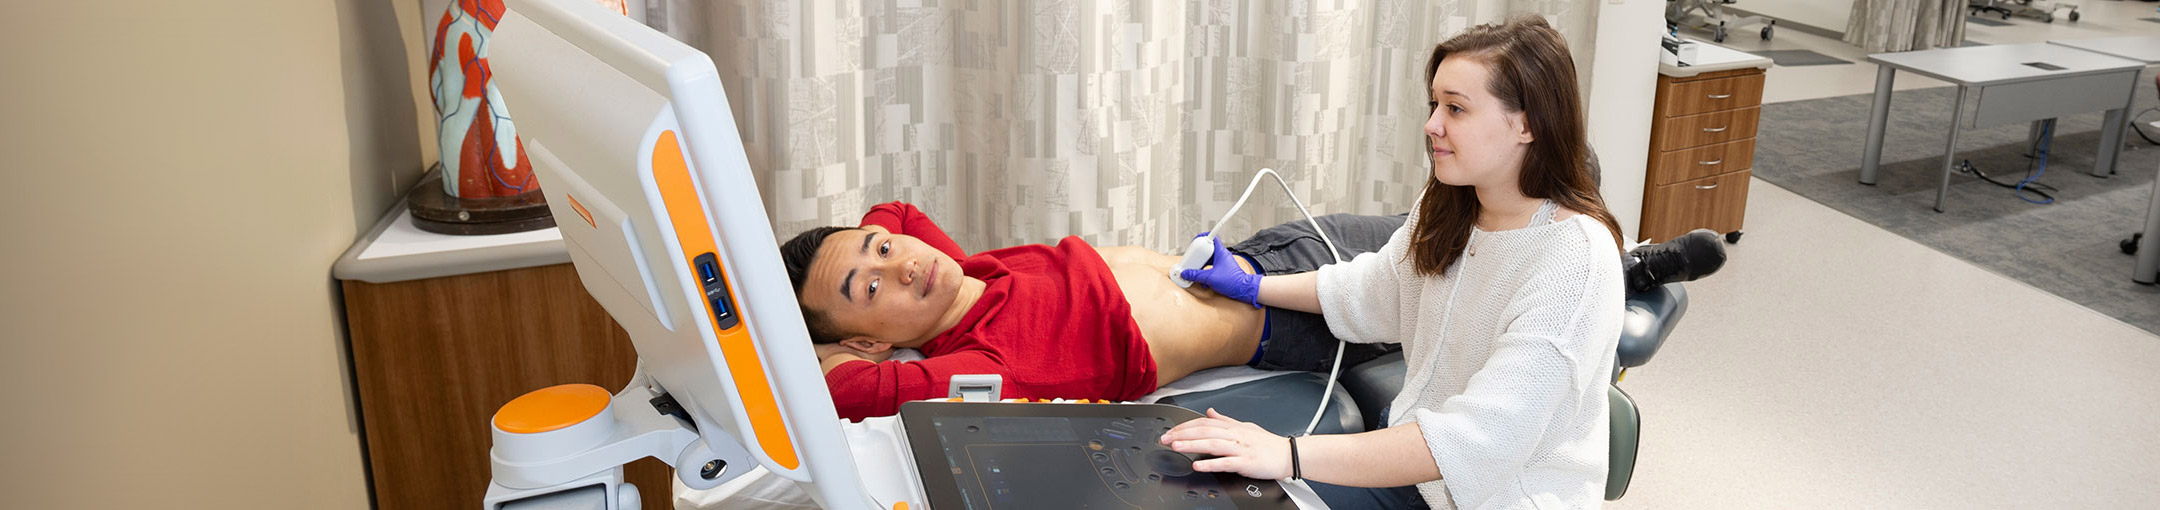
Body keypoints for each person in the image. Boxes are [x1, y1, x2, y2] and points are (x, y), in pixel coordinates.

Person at [1163, 16, 1626, 509]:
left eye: (1456, 108)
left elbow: (1472, 440)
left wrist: (1286, 454)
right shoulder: (1452, 204)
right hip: (1413, 469)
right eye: (1434, 105)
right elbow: (1375, 290)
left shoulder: (1574, 262)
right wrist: (1254, 286)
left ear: (1527, 124)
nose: (1432, 125)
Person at [778, 201, 1404, 421]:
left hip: (1273, 251)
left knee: (1466, 220)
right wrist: (824, 345)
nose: (902, 265)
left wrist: (860, 256)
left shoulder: (967, 271)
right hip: (1302, 320)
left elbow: (897, 214)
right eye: (868, 288)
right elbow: (844, 394)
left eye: (883, 251)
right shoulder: (978, 366)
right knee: (1477, 281)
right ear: (867, 343)